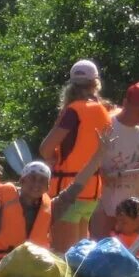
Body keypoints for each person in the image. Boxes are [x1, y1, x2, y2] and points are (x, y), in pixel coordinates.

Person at [0, 131, 114, 263]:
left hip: (32, 267)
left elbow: (77, 185)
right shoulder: (0, 201)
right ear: (22, 180)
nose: (36, 184)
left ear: (48, 187)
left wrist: (99, 155)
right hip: (0, 264)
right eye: (32, 178)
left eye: (42, 181)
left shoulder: (52, 208)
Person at [40, 59, 112, 252]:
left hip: (68, 193)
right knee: (81, 255)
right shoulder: (103, 110)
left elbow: (45, 148)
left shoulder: (73, 111)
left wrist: (53, 157)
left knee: (63, 256)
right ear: (95, 84)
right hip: (92, 193)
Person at [91, 82, 139, 239]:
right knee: (101, 250)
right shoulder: (105, 125)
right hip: (103, 206)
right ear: (126, 103)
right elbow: (87, 164)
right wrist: (101, 174)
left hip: (133, 213)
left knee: (132, 255)